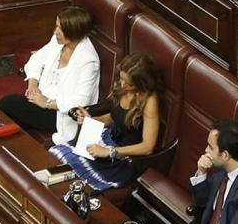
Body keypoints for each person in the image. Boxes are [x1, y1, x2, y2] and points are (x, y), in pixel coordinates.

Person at [49, 52, 163, 191]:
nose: (122, 84)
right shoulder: (121, 88)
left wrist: (109, 152)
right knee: (57, 154)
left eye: (129, 83)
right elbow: (113, 118)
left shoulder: (149, 100)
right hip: (106, 140)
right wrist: (90, 121)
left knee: (76, 174)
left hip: (124, 157)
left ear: (141, 83)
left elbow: (147, 147)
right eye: (122, 78)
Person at [0, 6, 100, 145]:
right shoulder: (59, 41)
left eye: (60, 29)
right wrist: (33, 84)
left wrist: (46, 103)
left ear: (73, 32)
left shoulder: (88, 60)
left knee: (7, 104)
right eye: (56, 26)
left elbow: (82, 99)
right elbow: (37, 59)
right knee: (9, 111)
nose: (55, 31)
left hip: (60, 114)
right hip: (40, 99)